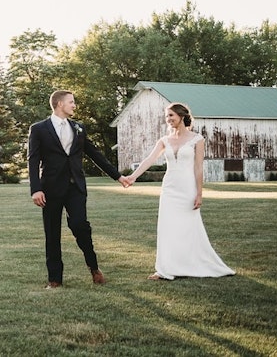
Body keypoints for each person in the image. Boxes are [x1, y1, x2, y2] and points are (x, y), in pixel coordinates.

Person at [28, 90, 131, 289]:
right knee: (52, 233)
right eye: (71, 102)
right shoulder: (39, 129)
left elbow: (95, 154)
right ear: (59, 104)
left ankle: (93, 266)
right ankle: (55, 279)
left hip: (76, 187)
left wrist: (118, 176)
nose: (75, 105)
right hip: (50, 189)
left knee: (79, 225)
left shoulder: (79, 128)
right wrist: (36, 189)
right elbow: (33, 161)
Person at [125, 102, 235, 280]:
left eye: (171, 116)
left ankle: (190, 264)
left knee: (187, 227)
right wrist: (133, 176)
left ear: (181, 117)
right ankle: (164, 268)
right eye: (166, 116)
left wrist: (199, 193)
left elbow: (198, 168)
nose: (168, 119)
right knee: (167, 227)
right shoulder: (164, 140)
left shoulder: (197, 139)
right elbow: (149, 159)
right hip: (169, 188)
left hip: (187, 187)